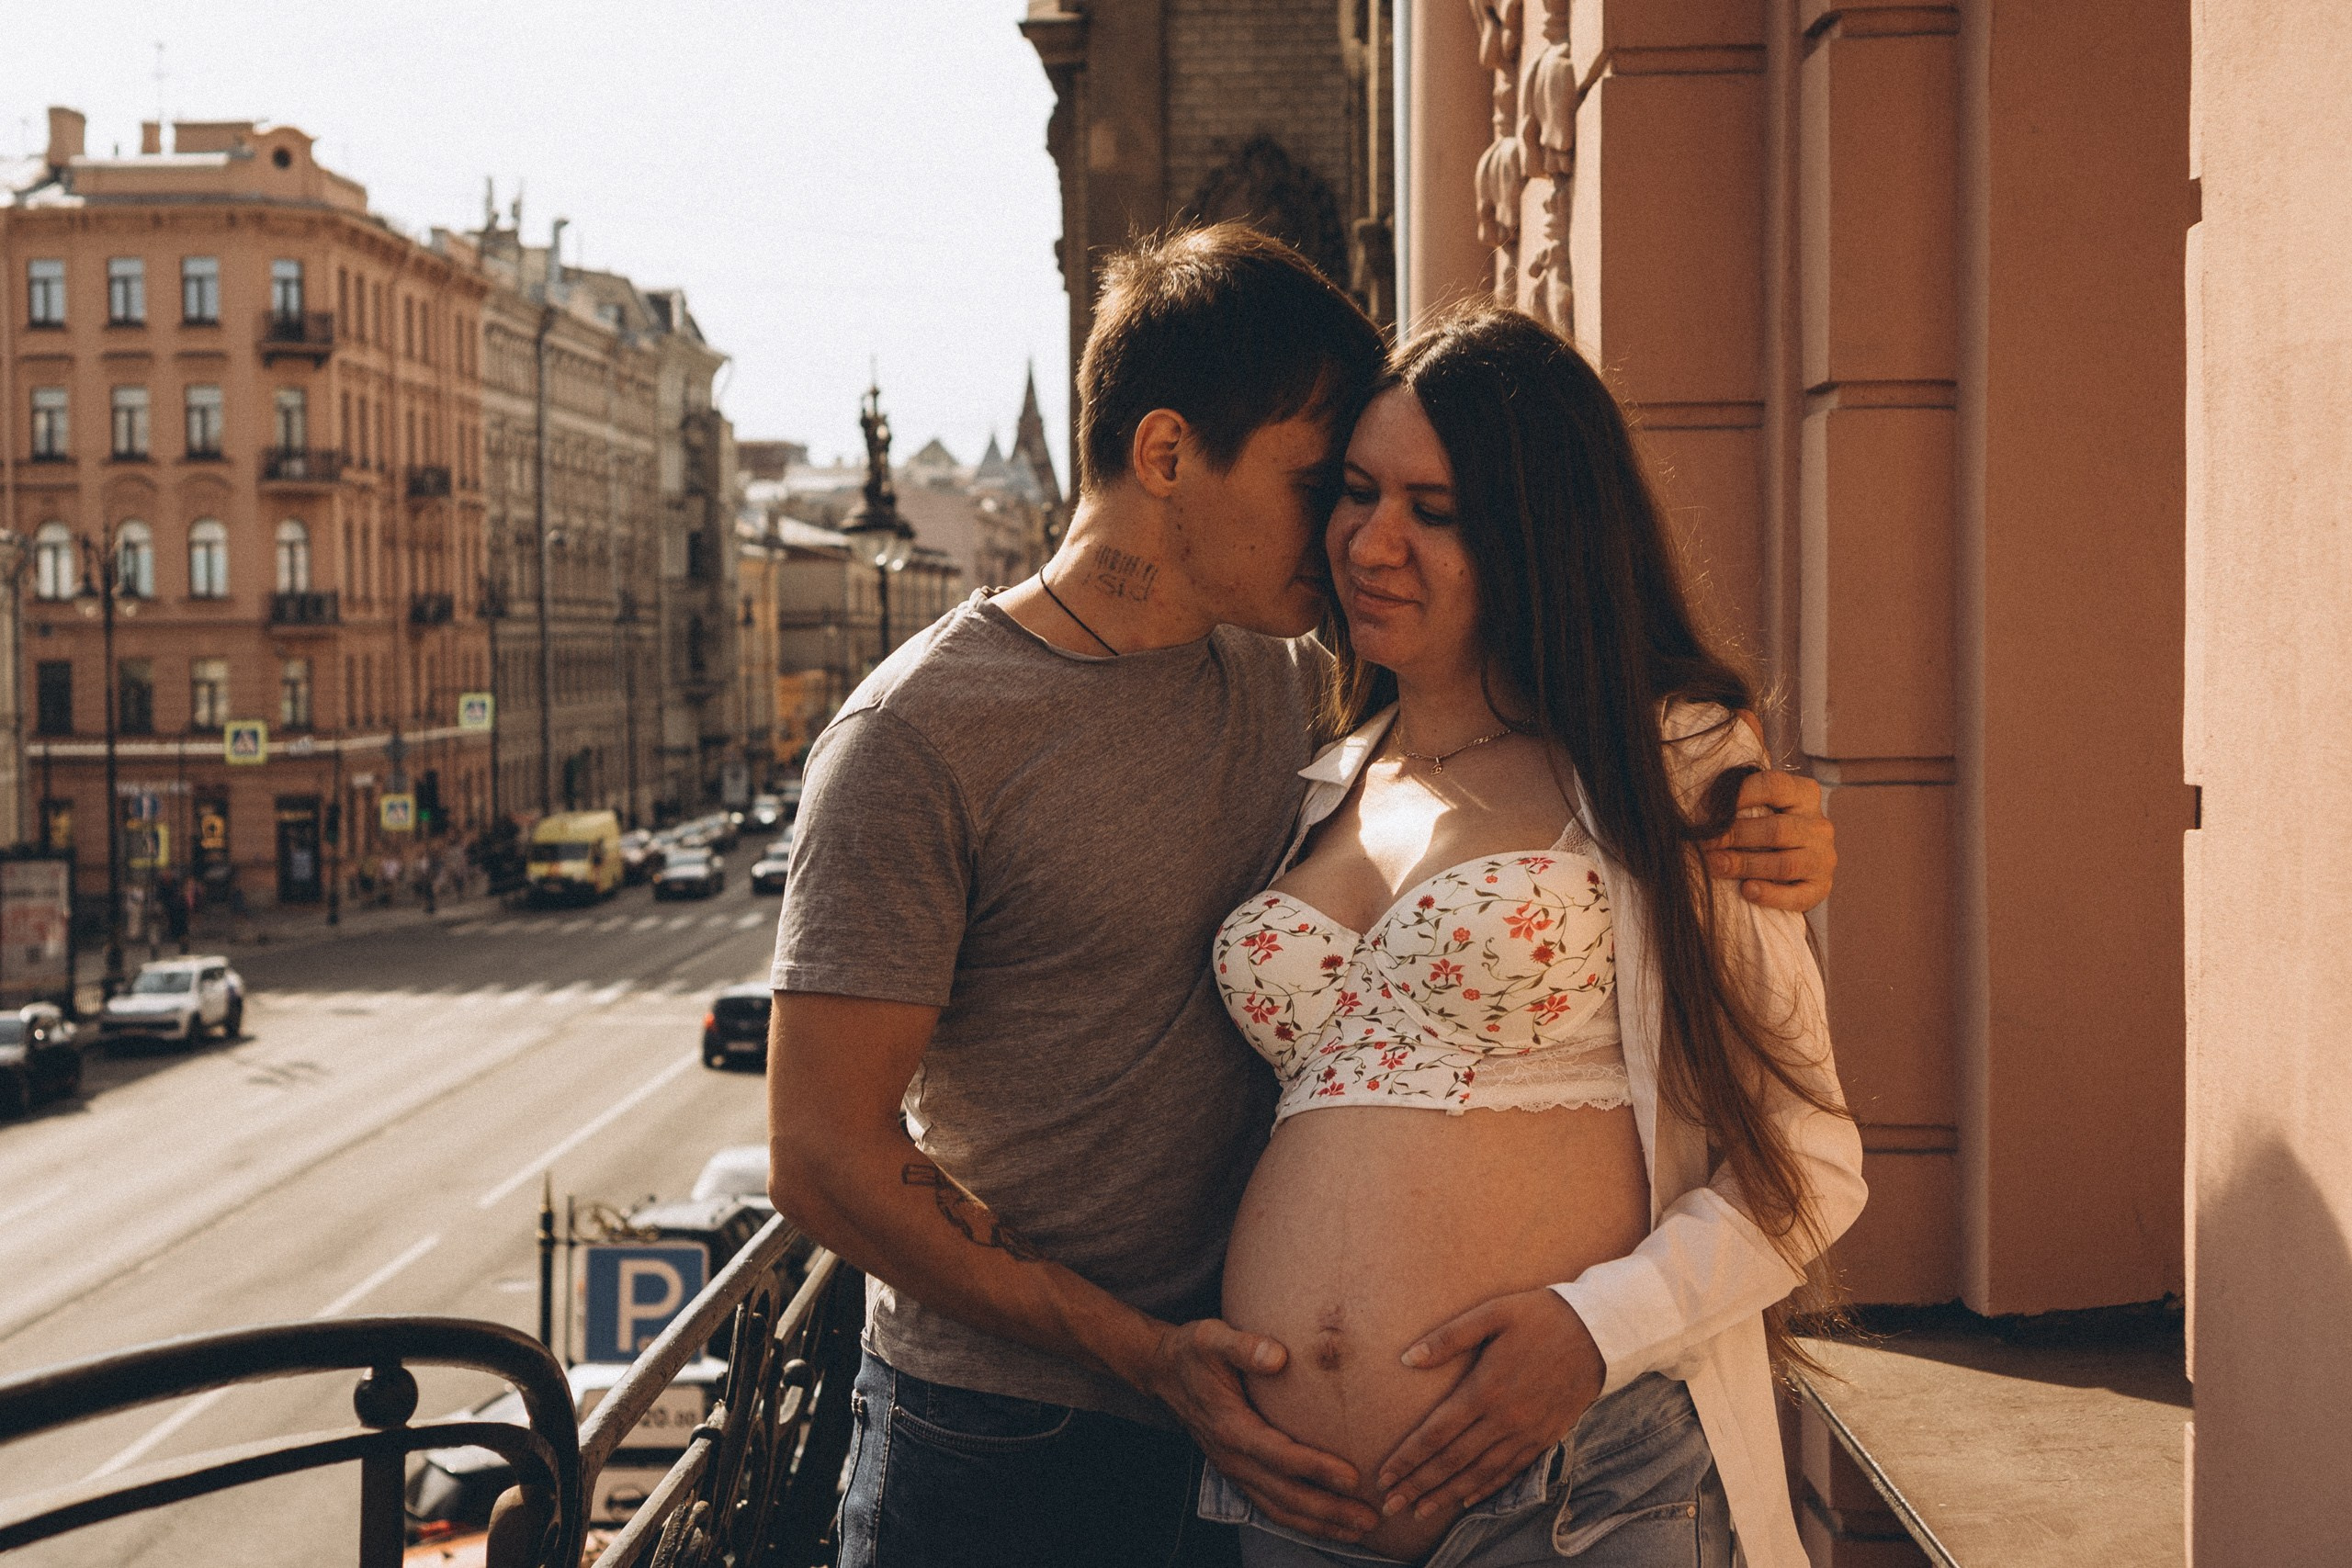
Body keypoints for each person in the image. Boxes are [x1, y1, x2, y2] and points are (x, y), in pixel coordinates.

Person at [765, 225, 1838, 1568]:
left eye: (1413, 504)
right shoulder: (919, 734)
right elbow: (819, 1156)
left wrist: (1775, 833)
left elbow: (1764, 1088)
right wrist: (1150, 1355)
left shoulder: (1307, 696)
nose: (1357, 539)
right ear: (1165, 457)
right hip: (1007, 1433)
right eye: (1327, 486)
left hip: (1274, 1449)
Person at [1198, 304, 1864, 1566]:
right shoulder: (1311, 778)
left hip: (1584, 1492)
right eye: (1355, 492)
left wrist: (1596, 1332)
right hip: (1295, 1510)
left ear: (1539, 535)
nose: (1372, 542)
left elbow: (1812, 1159)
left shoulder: (1667, 763)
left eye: (1435, 511)